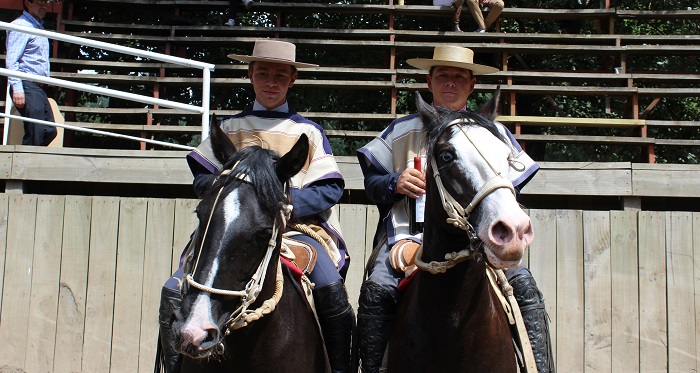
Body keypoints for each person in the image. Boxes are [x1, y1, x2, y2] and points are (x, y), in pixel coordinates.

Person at [158, 39, 354, 373]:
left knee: (329, 287)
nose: (271, 81)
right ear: (250, 74)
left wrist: (277, 205)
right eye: (263, 73)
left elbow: (329, 188)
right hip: (229, 232)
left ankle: (341, 368)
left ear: (292, 79)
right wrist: (233, 195)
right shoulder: (231, 128)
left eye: (280, 75)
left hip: (297, 232)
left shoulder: (307, 131)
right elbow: (202, 179)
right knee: (173, 288)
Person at [355, 45, 554, 373]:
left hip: (479, 239)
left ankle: (538, 368)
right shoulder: (401, 130)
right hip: (406, 238)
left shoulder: (492, 132)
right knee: (378, 287)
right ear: (429, 82)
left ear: (472, 84)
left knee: (524, 286)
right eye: (443, 76)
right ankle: (373, 368)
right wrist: (394, 182)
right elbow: (371, 184)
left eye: (459, 77)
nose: (451, 83)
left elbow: (510, 185)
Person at [6, 0, 59, 146]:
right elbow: (12, 59)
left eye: (46, 3)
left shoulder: (37, 26)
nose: (44, 7)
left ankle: (29, 159)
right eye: (40, 2)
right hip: (26, 83)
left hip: (37, 87)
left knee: (49, 130)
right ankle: (25, 163)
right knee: (36, 130)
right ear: (28, 3)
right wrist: (17, 88)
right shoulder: (21, 26)